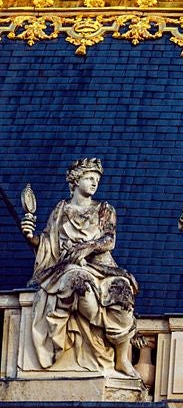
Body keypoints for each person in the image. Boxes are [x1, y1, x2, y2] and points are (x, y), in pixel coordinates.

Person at [22, 158, 138, 375]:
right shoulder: (61, 210)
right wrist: (31, 237)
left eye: (97, 180)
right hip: (69, 266)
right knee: (80, 283)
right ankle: (101, 334)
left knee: (122, 292)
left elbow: (109, 240)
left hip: (102, 267)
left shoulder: (104, 209)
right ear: (75, 181)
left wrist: (88, 247)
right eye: (89, 178)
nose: (94, 183)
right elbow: (48, 243)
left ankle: (122, 357)